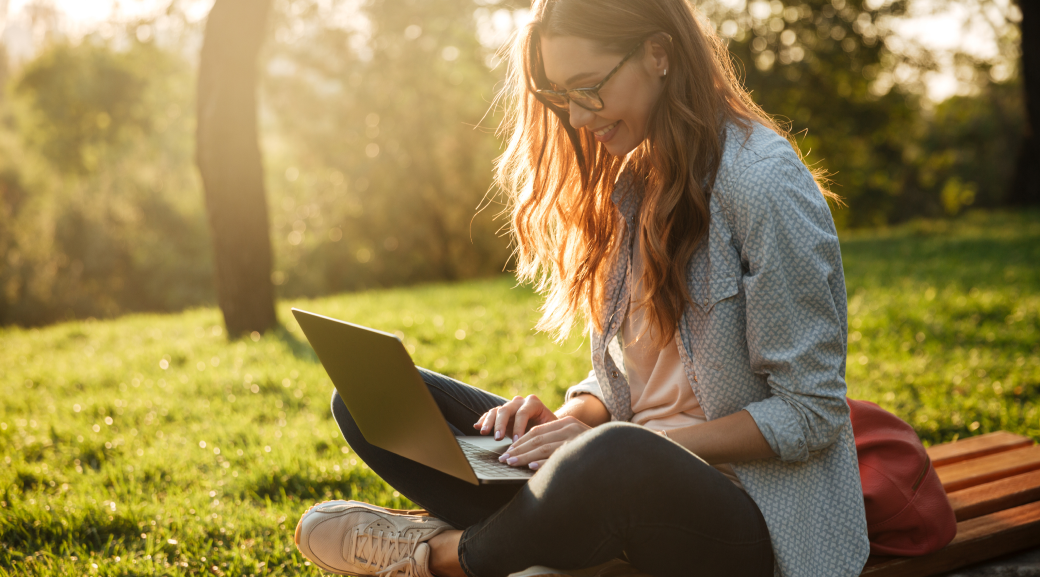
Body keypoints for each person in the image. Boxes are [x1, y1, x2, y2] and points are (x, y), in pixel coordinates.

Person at [293, 0, 870, 575]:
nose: (575, 116)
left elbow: (810, 412)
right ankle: (553, 544)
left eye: (589, 88)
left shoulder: (763, 182)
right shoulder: (634, 183)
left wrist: (632, 442)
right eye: (562, 95)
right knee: (376, 401)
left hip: (750, 519)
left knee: (617, 452)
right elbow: (639, 377)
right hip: (618, 473)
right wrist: (570, 419)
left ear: (659, 54)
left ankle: (441, 556)